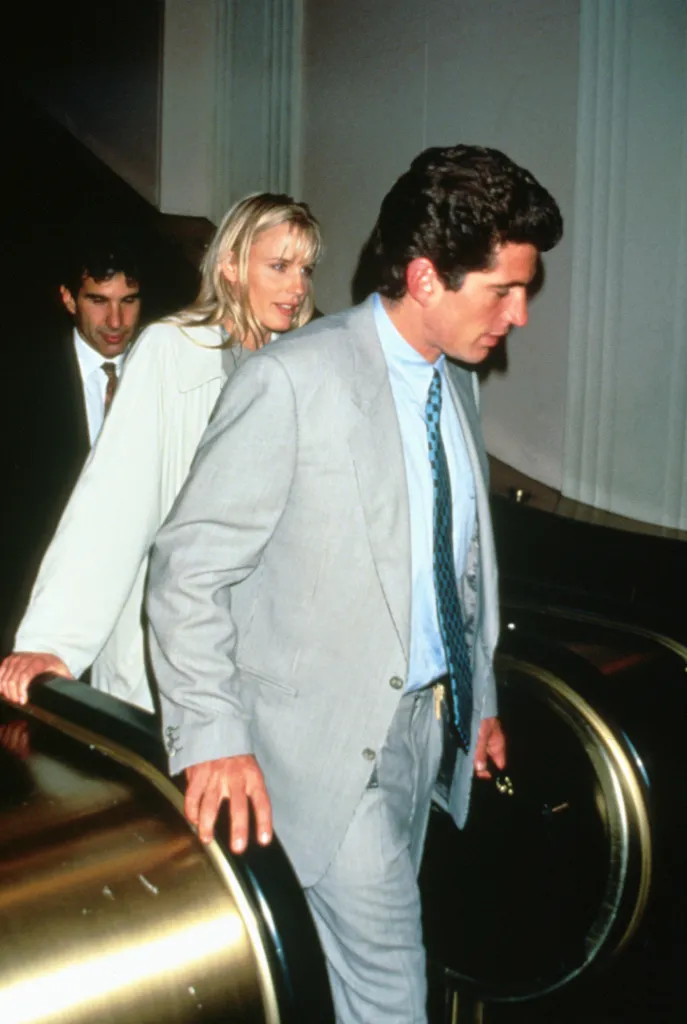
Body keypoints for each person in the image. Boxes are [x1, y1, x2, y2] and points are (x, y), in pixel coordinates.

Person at [144, 145, 563, 1023]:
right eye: (502, 290)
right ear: (424, 276)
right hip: (320, 750)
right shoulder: (293, 380)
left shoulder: (455, 382)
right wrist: (213, 735)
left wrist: (474, 696)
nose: (519, 316)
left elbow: (462, 563)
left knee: (340, 986)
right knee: (391, 991)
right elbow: (189, 567)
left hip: (418, 735)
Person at [0, 192, 321, 712]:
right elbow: (113, 501)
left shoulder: (307, 368)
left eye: (305, 268)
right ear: (231, 267)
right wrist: (53, 641)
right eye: (279, 265)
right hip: (179, 653)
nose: (298, 286)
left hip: (274, 656)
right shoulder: (171, 351)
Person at [0, 231, 142, 647]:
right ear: (68, 299)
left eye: (128, 300)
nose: (116, 321)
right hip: (35, 601)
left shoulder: (164, 369)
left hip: (133, 603)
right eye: (98, 300)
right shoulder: (19, 378)